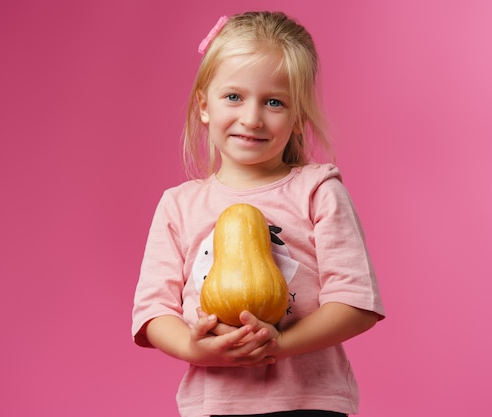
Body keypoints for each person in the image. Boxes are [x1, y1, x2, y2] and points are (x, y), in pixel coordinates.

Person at [132, 11, 385, 417]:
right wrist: (193, 347)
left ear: (299, 118)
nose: (252, 118)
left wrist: (280, 344)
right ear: (204, 105)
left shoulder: (318, 191)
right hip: (215, 404)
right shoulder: (178, 206)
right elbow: (153, 312)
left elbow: (357, 303)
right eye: (233, 96)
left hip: (310, 403)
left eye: (274, 102)